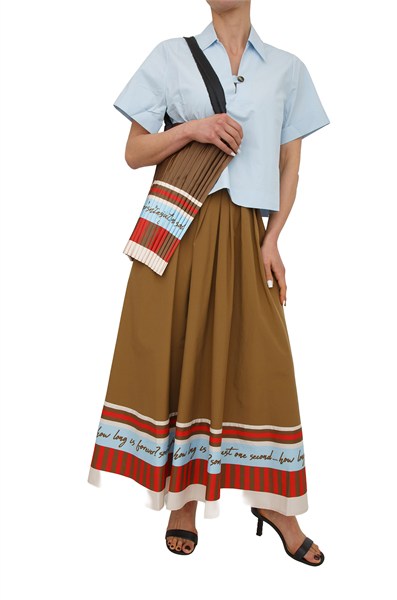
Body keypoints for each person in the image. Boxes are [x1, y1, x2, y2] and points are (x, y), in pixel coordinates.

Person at [88, 0, 330, 566]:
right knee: (183, 354)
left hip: (247, 233)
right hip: (179, 228)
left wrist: (273, 239)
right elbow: (134, 152)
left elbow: (290, 166)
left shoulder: (287, 68)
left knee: (264, 362)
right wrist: (193, 129)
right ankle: (183, 501)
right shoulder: (170, 56)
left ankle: (275, 503)